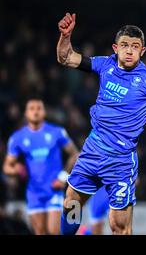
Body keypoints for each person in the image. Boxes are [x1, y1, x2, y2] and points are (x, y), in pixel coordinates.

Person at [56, 13, 146, 235]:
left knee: (118, 226)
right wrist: (65, 36)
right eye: (125, 45)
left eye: (135, 46)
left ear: (143, 51)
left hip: (119, 161)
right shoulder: (104, 65)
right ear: (115, 48)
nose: (129, 50)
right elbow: (66, 57)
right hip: (92, 151)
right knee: (71, 202)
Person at [3, 98, 79, 235]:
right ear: (26, 113)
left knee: (54, 231)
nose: (36, 112)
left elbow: (75, 154)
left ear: (44, 112)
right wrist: (16, 169)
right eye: (32, 108)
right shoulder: (17, 138)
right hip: (33, 193)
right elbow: (7, 167)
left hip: (53, 191)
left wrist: (63, 177)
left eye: (39, 108)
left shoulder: (57, 132)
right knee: (39, 233)